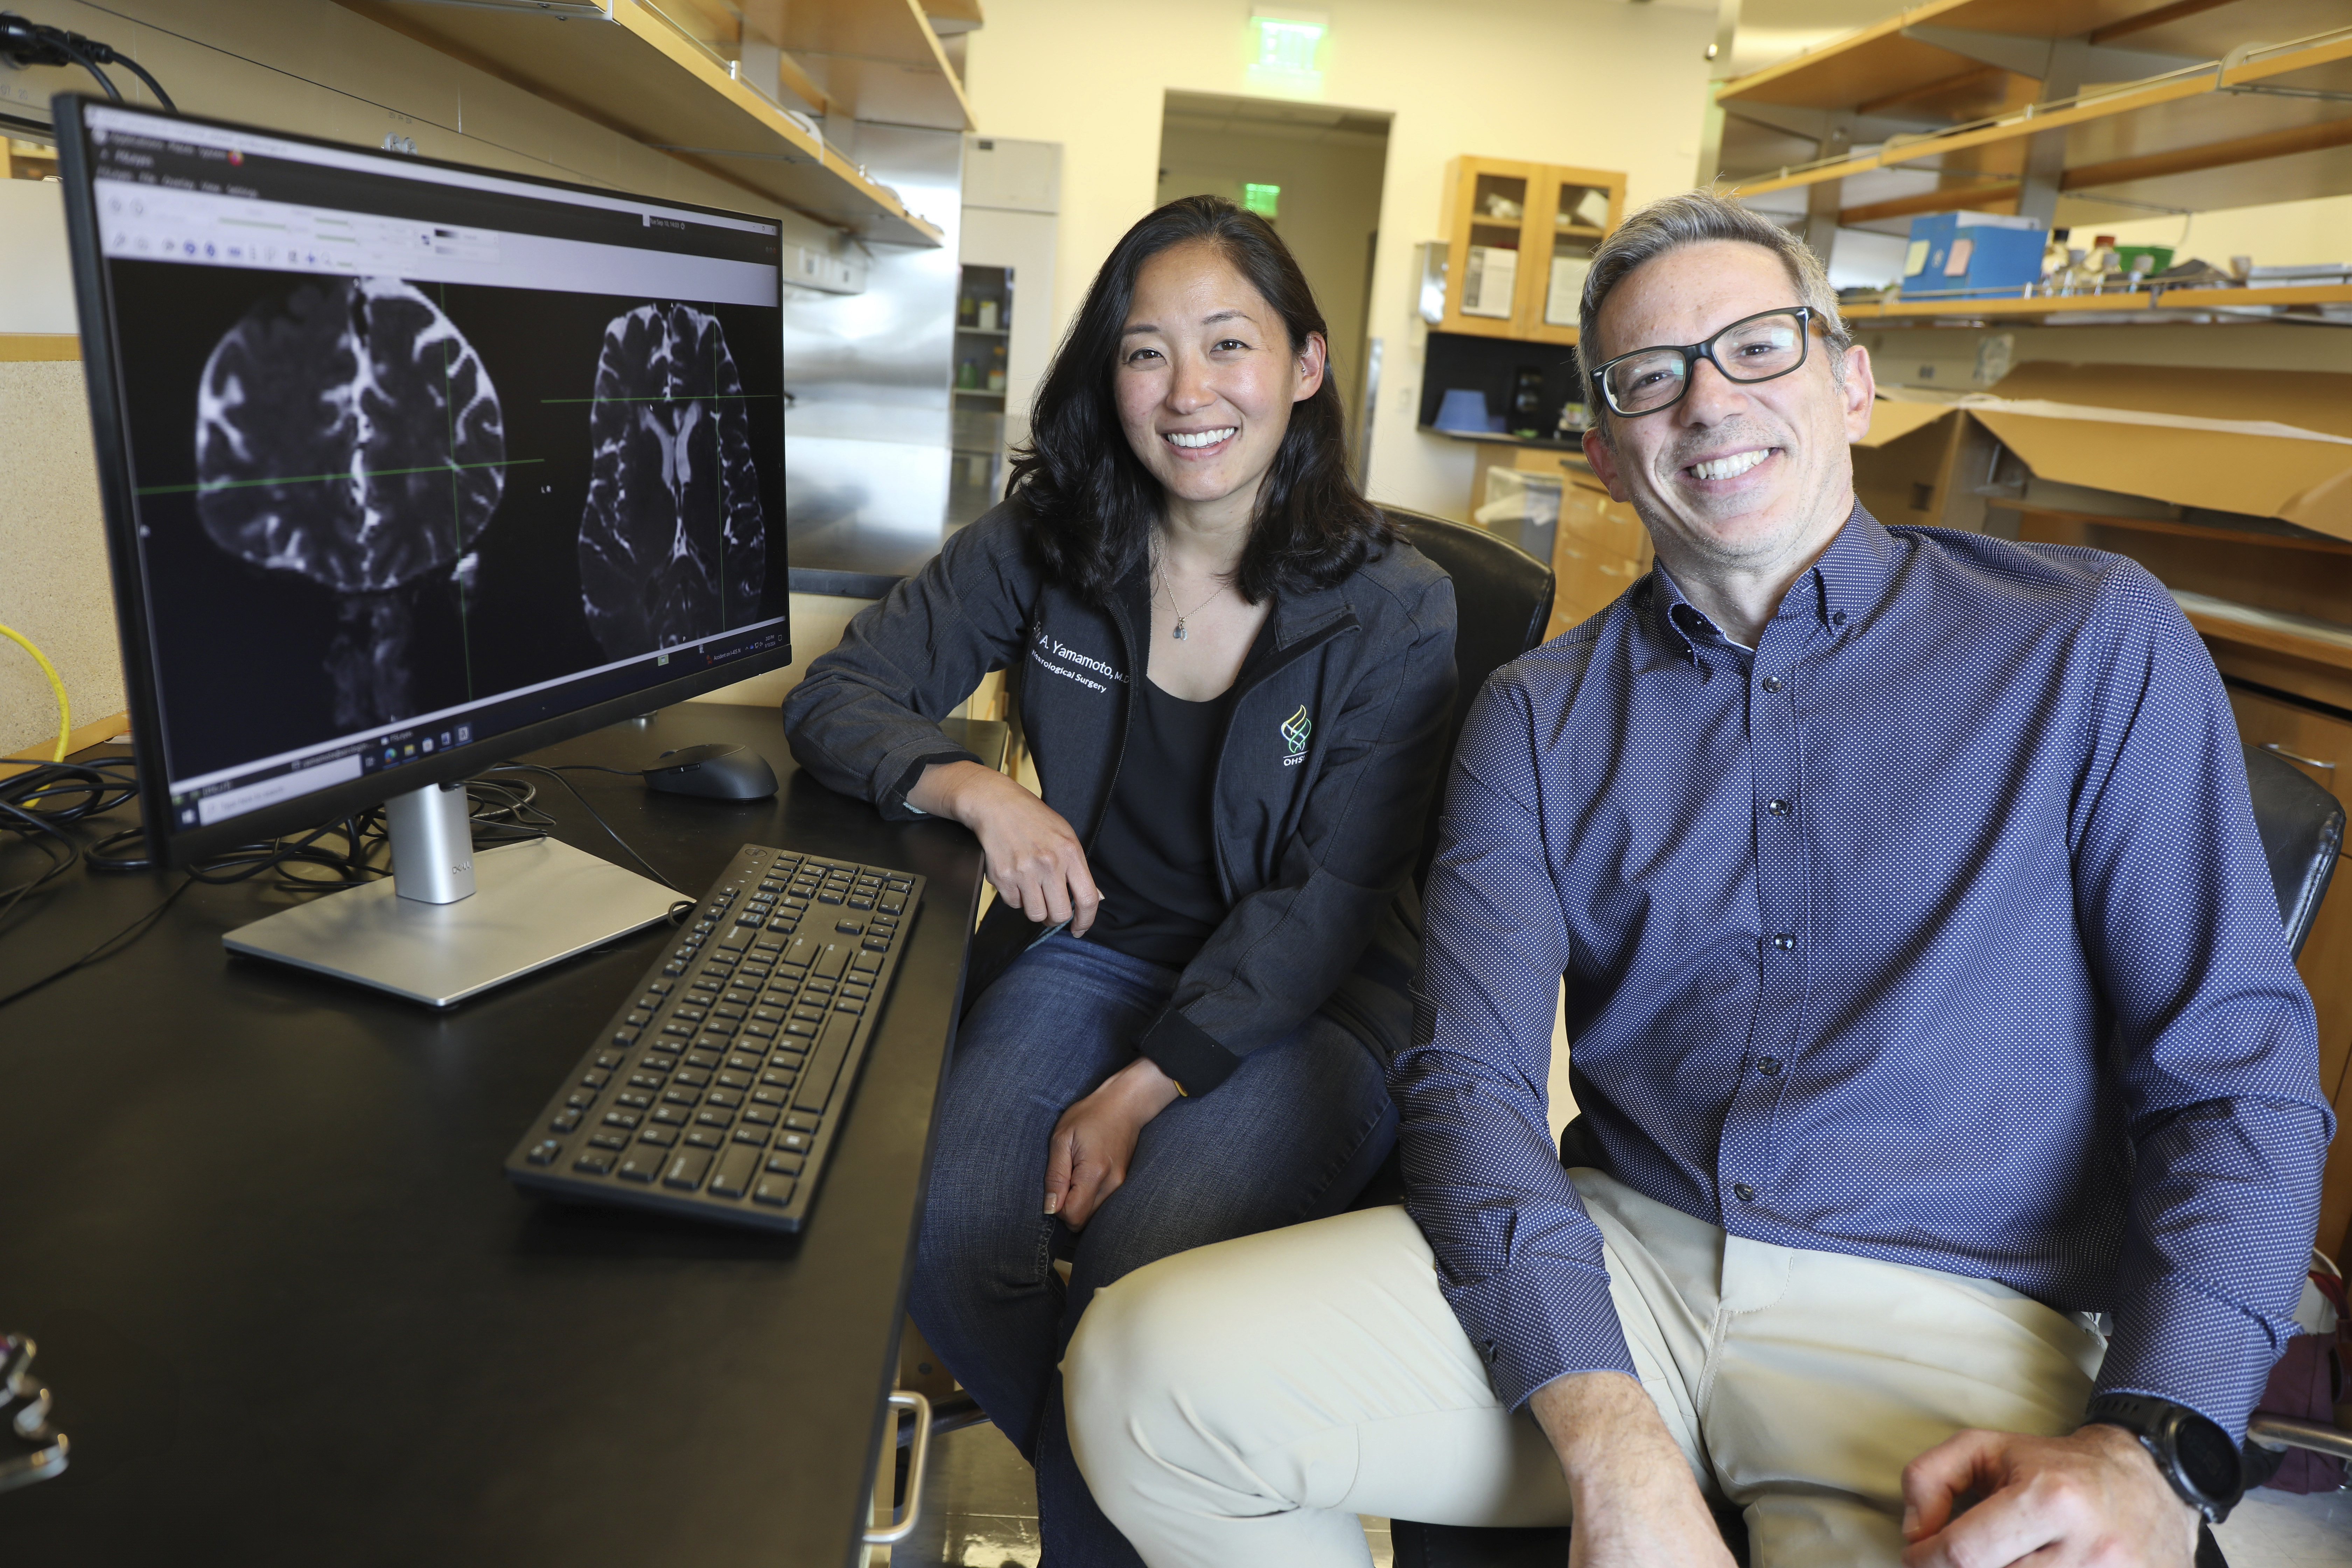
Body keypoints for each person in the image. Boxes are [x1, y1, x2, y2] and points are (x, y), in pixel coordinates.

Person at [1062, 189, 2333, 1568]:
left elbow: (2231, 1075)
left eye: (1758, 348)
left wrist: (2155, 1444)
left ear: (1851, 383)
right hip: (1626, 1264)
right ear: (1610, 452)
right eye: (1652, 378)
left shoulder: (2090, 645)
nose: (1710, 404)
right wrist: (1611, 1439)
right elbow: (1470, 1083)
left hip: (1950, 1320)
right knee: (1142, 1379)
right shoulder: (1536, 714)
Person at [781, 195, 1456, 1561]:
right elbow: (844, 693)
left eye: (1229, 345)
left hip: (1309, 1002)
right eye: (1147, 352)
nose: (1189, 391)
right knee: (950, 1223)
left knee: (1147, 1270)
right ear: (1109, 376)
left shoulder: (1397, 602)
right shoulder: (1051, 539)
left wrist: (1148, 1085)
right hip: (1095, 949)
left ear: (1307, 367)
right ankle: (1171, 1500)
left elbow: (1329, 900)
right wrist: (974, 790)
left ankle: (1145, 1496)